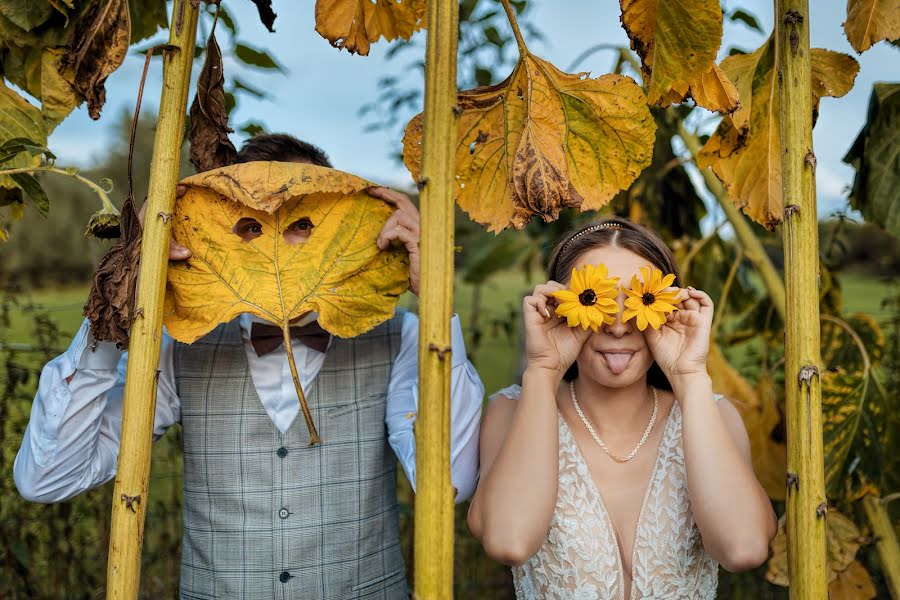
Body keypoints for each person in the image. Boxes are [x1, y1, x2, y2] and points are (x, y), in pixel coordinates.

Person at [14, 134, 484, 600]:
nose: (275, 251)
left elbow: (450, 483)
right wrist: (117, 299)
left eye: (302, 224)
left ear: (345, 227)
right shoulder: (180, 343)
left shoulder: (400, 336)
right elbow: (49, 476)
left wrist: (438, 301)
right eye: (251, 228)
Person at [467, 218, 776, 599]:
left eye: (639, 299)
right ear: (557, 306)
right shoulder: (511, 413)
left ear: (669, 307)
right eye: (595, 298)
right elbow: (508, 541)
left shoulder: (712, 415)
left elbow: (743, 548)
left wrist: (690, 375)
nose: (617, 326)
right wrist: (543, 370)